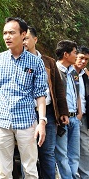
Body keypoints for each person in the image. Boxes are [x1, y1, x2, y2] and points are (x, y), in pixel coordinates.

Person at [0, 17, 47, 178]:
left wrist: (42, 122)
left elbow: (40, 95)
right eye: (5, 33)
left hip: (27, 121)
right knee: (4, 171)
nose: (7, 37)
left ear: (23, 34)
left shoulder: (36, 62)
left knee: (30, 169)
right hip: (2, 122)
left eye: (12, 33)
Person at [23, 27, 69, 179]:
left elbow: (58, 88)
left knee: (47, 153)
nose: (24, 41)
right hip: (25, 113)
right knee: (27, 154)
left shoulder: (48, 62)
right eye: (21, 38)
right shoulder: (17, 61)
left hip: (48, 112)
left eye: (27, 38)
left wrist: (63, 112)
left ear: (35, 40)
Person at [54, 40, 81, 179]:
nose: (76, 55)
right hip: (62, 119)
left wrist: (78, 114)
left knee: (74, 154)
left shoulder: (73, 72)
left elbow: (77, 94)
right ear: (66, 54)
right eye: (75, 52)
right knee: (62, 154)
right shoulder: (55, 70)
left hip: (74, 118)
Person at [73, 46, 89, 178]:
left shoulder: (85, 75)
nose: (83, 61)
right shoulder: (68, 72)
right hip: (70, 116)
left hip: (83, 117)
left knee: (84, 149)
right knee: (70, 149)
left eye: (86, 59)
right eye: (81, 58)